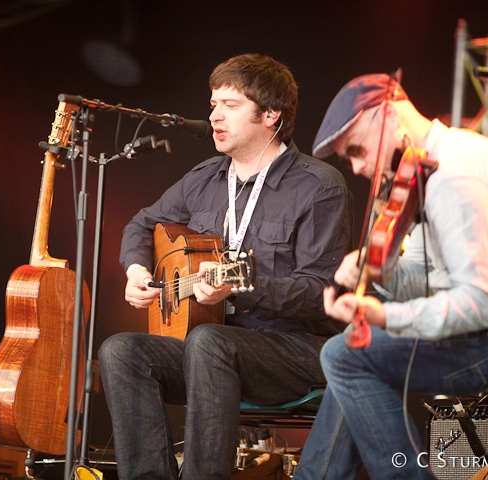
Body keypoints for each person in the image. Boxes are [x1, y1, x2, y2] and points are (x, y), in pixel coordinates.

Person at [294, 73, 488, 479]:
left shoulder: (454, 176)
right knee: (352, 348)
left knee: (344, 356)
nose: (358, 167)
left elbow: (479, 304)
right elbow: (433, 275)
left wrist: (385, 317)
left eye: (357, 150)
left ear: (388, 114)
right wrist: (377, 272)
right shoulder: (435, 164)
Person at [97, 53, 353, 480]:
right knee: (121, 351)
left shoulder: (318, 186)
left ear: (270, 114)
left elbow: (321, 291)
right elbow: (142, 224)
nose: (214, 116)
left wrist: (241, 288)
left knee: (210, 341)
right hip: (210, 349)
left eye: (230, 106)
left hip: (292, 350)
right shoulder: (204, 178)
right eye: (213, 104)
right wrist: (136, 271)